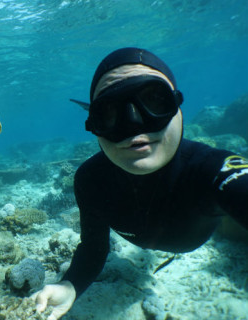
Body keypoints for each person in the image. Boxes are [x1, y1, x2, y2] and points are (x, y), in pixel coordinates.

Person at [32, 47, 248, 320]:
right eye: (109, 113)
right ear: (94, 125)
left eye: (155, 101)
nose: (134, 125)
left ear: (178, 108)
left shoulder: (215, 168)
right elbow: (94, 247)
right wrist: (69, 285)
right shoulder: (90, 180)